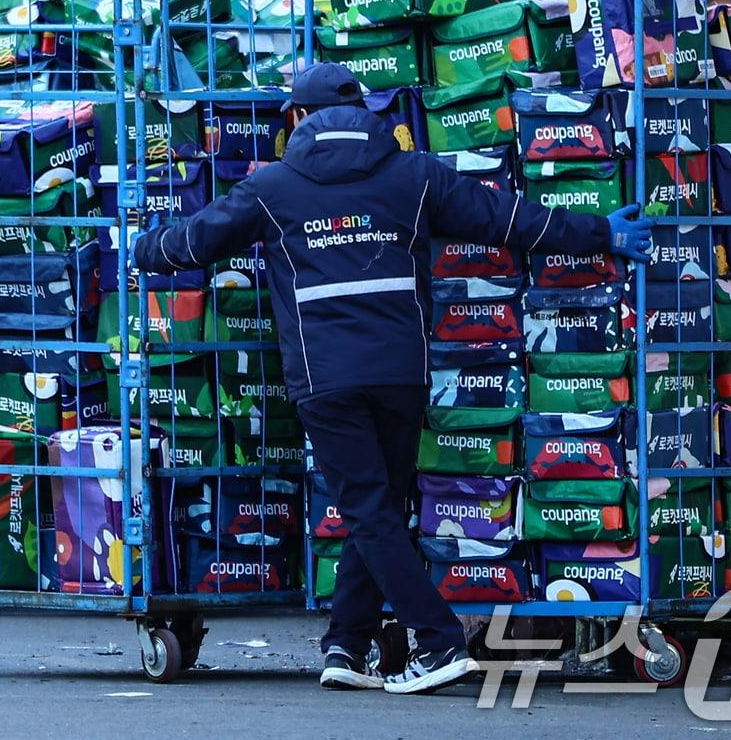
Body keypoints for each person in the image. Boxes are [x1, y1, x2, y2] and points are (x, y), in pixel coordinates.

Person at [132, 63, 653, 695]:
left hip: (325, 379)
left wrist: (138, 247)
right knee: (377, 507)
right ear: (369, 114)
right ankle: (345, 646)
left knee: (369, 509)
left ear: (297, 119)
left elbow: (192, 242)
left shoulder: (273, 187)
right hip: (402, 372)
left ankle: (437, 644)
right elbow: (506, 219)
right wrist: (603, 233)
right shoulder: (414, 174)